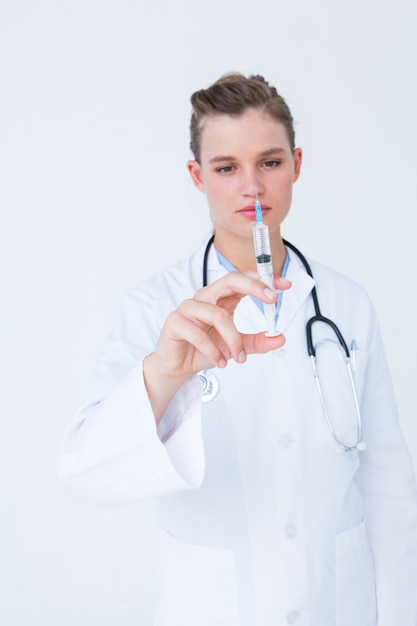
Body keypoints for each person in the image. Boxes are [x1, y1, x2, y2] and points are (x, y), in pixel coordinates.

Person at [59, 73, 417, 626]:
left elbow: (388, 481)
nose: (252, 187)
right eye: (226, 168)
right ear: (197, 176)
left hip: (338, 603)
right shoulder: (156, 307)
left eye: (269, 163)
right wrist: (162, 374)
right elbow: (86, 473)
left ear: (297, 164)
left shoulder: (346, 304)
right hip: (215, 607)